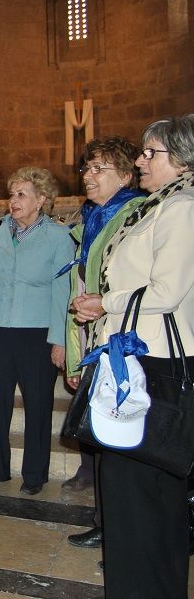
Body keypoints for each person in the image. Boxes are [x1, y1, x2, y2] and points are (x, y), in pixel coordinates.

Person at [71, 115, 194, 599]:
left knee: (145, 493)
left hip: (158, 363)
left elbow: (166, 291)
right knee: (129, 492)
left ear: (182, 158)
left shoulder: (183, 208)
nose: (141, 160)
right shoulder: (154, 208)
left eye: (151, 153)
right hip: (130, 356)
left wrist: (106, 303)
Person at [0, 167, 74, 495]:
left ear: (41, 200)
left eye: (21, 194)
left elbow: (63, 291)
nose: (13, 200)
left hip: (37, 333)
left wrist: (59, 340)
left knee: (38, 406)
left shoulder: (58, 237)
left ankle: (35, 475)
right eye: (11, 194)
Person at [60, 138, 145, 550]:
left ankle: (125, 533)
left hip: (124, 342)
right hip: (96, 338)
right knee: (102, 441)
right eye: (87, 169)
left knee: (121, 444)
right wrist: (75, 356)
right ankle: (106, 522)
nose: (89, 177)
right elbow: (80, 288)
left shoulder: (135, 217)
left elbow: (130, 284)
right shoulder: (94, 217)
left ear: (126, 176)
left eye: (100, 170)